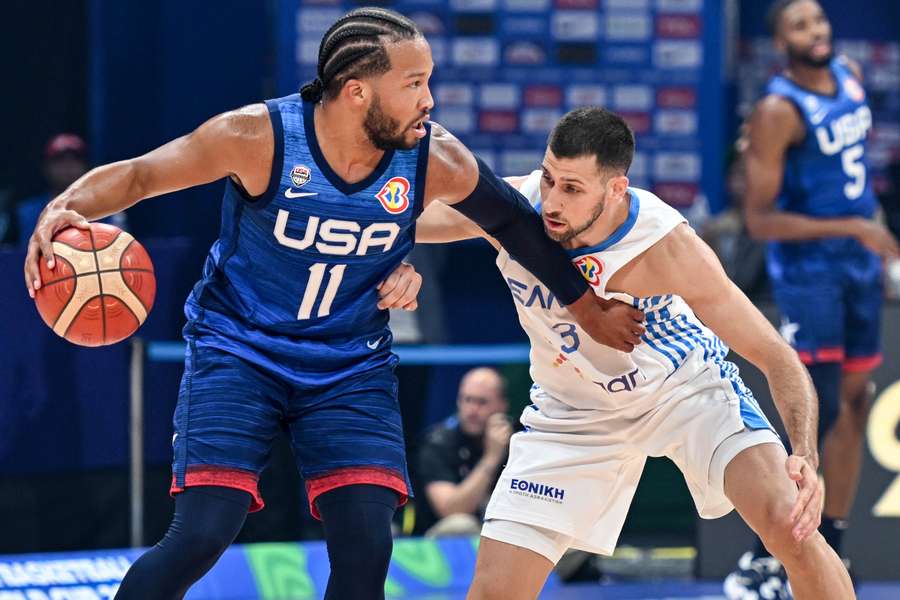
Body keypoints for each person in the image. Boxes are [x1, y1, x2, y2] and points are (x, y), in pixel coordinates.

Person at [22, 8, 643, 599]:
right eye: (415, 83)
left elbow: (515, 222)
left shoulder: (433, 157)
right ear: (356, 92)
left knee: (368, 546)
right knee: (203, 534)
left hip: (349, 362)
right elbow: (139, 176)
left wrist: (586, 308)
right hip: (239, 348)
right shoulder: (257, 136)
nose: (429, 99)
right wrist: (64, 208)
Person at [414, 106, 855, 600]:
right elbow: (404, 222)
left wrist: (805, 452)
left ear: (616, 189)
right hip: (573, 412)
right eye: (549, 178)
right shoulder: (517, 208)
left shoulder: (668, 247)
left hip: (682, 390)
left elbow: (776, 355)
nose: (552, 202)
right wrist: (391, 263)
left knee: (789, 524)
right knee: (494, 592)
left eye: (573, 189)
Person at [727, 1, 900, 594]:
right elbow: (760, 220)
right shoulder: (777, 110)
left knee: (855, 406)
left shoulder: (849, 76)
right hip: (810, 273)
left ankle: (836, 547)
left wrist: (866, 237)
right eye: (799, 25)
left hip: (857, 268)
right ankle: (763, 557)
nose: (815, 31)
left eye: (819, 20)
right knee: (815, 411)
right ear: (780, 42)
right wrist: (854, 229)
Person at [416, 367, 511, 536]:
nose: (472, 410)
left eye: (482, 402)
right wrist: (491, 457)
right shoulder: (438, 442)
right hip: (436, 548)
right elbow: (452, 511)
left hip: (499, 536)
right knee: (461, 525)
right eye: (467, 400)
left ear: (502, 405)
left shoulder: (517, 443)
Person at [16, 134, 91, 245]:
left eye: (75, 160)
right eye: (60, 160)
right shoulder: (25, 212)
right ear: (46, 167)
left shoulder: (109, 211)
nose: (68, 166)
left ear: (86, 167)